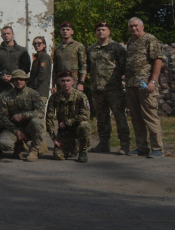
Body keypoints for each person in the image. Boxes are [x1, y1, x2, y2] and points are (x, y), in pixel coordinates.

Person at [87, 21, 130, 154]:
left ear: (109, 31)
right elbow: (88, 68)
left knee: (119, 116)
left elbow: (125, 66)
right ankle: (104, 143)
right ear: (95, 33)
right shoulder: (91, 49)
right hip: (97, 89)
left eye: (104, 29)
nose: (101, 32)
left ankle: (124, 144)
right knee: (101, 117)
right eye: (99, 30)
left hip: (114, 89)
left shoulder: (116, 47)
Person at [124, 17, 164, 158]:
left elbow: (158, 60)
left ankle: (157, 148)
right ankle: (141, 147)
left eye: (136, 26)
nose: (133, 29)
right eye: (131, 27)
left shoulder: (150, 39)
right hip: (131, 85)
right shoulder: (130, 42)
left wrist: (153, 81)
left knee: (150, 116)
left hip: (146, 85)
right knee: (136, 117)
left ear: (142, 26)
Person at [0, 70, 46, 162]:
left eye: (21, 79)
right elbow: (3, 117)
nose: (18, 81)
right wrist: (17, 132)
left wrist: (22, 116)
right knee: (4, 144)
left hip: (29, 127)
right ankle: (18, 145)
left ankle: (34, 150)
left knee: (37, 122)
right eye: (16, 79)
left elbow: (40, 113)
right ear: (12, 81)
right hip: (14, 128)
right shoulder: (6, 96)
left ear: (26, 81)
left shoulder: (34, 94)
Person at [46, 71, 91, 163]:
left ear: (72, 82)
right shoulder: (55, 97)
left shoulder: (80, 96)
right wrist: (54, 138)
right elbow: (49, 117)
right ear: (58, 82)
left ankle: (82, 151)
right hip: (65, 131)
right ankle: (72, 146)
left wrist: (67, 122)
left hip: (77, 128)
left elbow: (85, 115)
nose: (65, 83)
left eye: (68, 80)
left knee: (84, 125)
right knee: (58, 156)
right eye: (63, 81)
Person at [0, 26, 30, 94]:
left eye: (8, 33)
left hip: (18, 84)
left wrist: (15, 76)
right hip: (2, 85)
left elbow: (26, 66)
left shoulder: (22, 50)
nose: (6, 35)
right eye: (4, 34)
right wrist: (1, 77)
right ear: (1, 36)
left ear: (13, 34)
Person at [52, 22, 87, 93]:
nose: (65, 31)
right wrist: (53, 85)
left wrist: (81, 83)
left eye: (68, 29)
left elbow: (84, 65)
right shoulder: (57, 48)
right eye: (63, 29)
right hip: (61, 82)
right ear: (60, 32)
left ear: (72, 32)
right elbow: (55, 68)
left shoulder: (78, 46)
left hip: (74, 81)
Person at [28, 36, 52, 101]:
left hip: (40, 92)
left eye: (39, 43)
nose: (36, 45)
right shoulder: (37, 57)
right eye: (34, 44)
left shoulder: (44, 57)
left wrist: (32, 87)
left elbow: (42, 74)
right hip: (35, 92)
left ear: (44, 45)